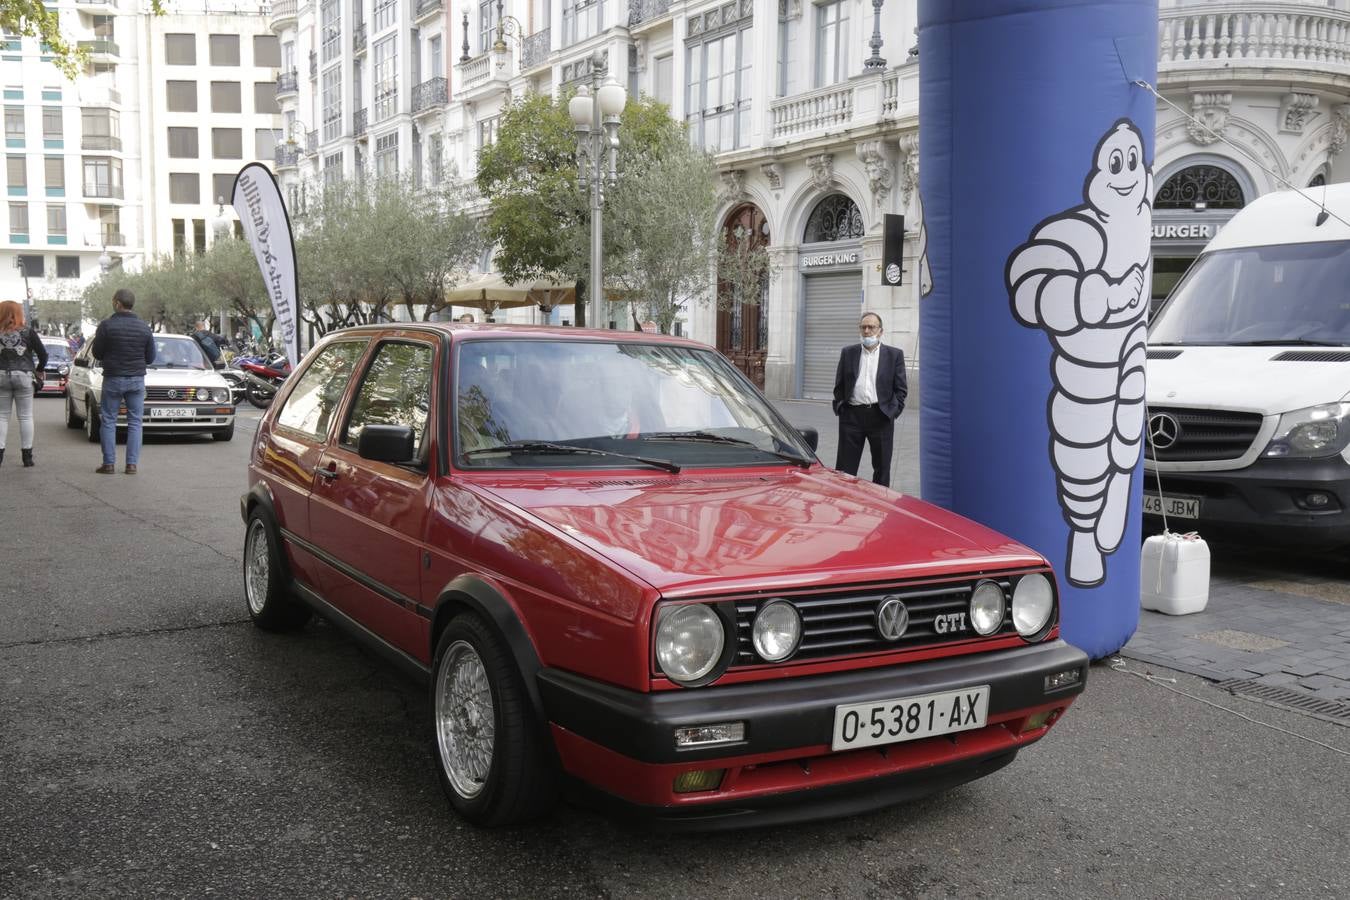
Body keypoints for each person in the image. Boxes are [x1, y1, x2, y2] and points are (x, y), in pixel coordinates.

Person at [831, 311, 908, 488]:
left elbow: (901, 389)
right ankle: (844, 503)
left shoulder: (894, 355)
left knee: (882, 468)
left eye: (871, 327)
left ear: (880, 331)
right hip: (852, 416)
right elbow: (839, 385)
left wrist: (892, 412)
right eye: (863, 327)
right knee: (844, 469)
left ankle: (881, 508)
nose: (867, 331)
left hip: (880, 416)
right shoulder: (848, 353)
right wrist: (841, 407)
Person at [91, 288, 156, 474]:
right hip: (136, 380)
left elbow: (97, 353)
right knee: (135, 422)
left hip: (113, 378)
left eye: (114, 301)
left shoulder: (106, 326)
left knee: (109, 420)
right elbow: (150, 357)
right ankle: (131, 465)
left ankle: (109, 464)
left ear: (118, 303)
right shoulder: (144, 327)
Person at [0, 300, 49, 468]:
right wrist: (39, 370)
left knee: (2, 416)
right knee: (26, 416)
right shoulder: (28, 332)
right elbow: (43, 355)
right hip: (24, 376)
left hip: (1, 376)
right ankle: (27, 457)